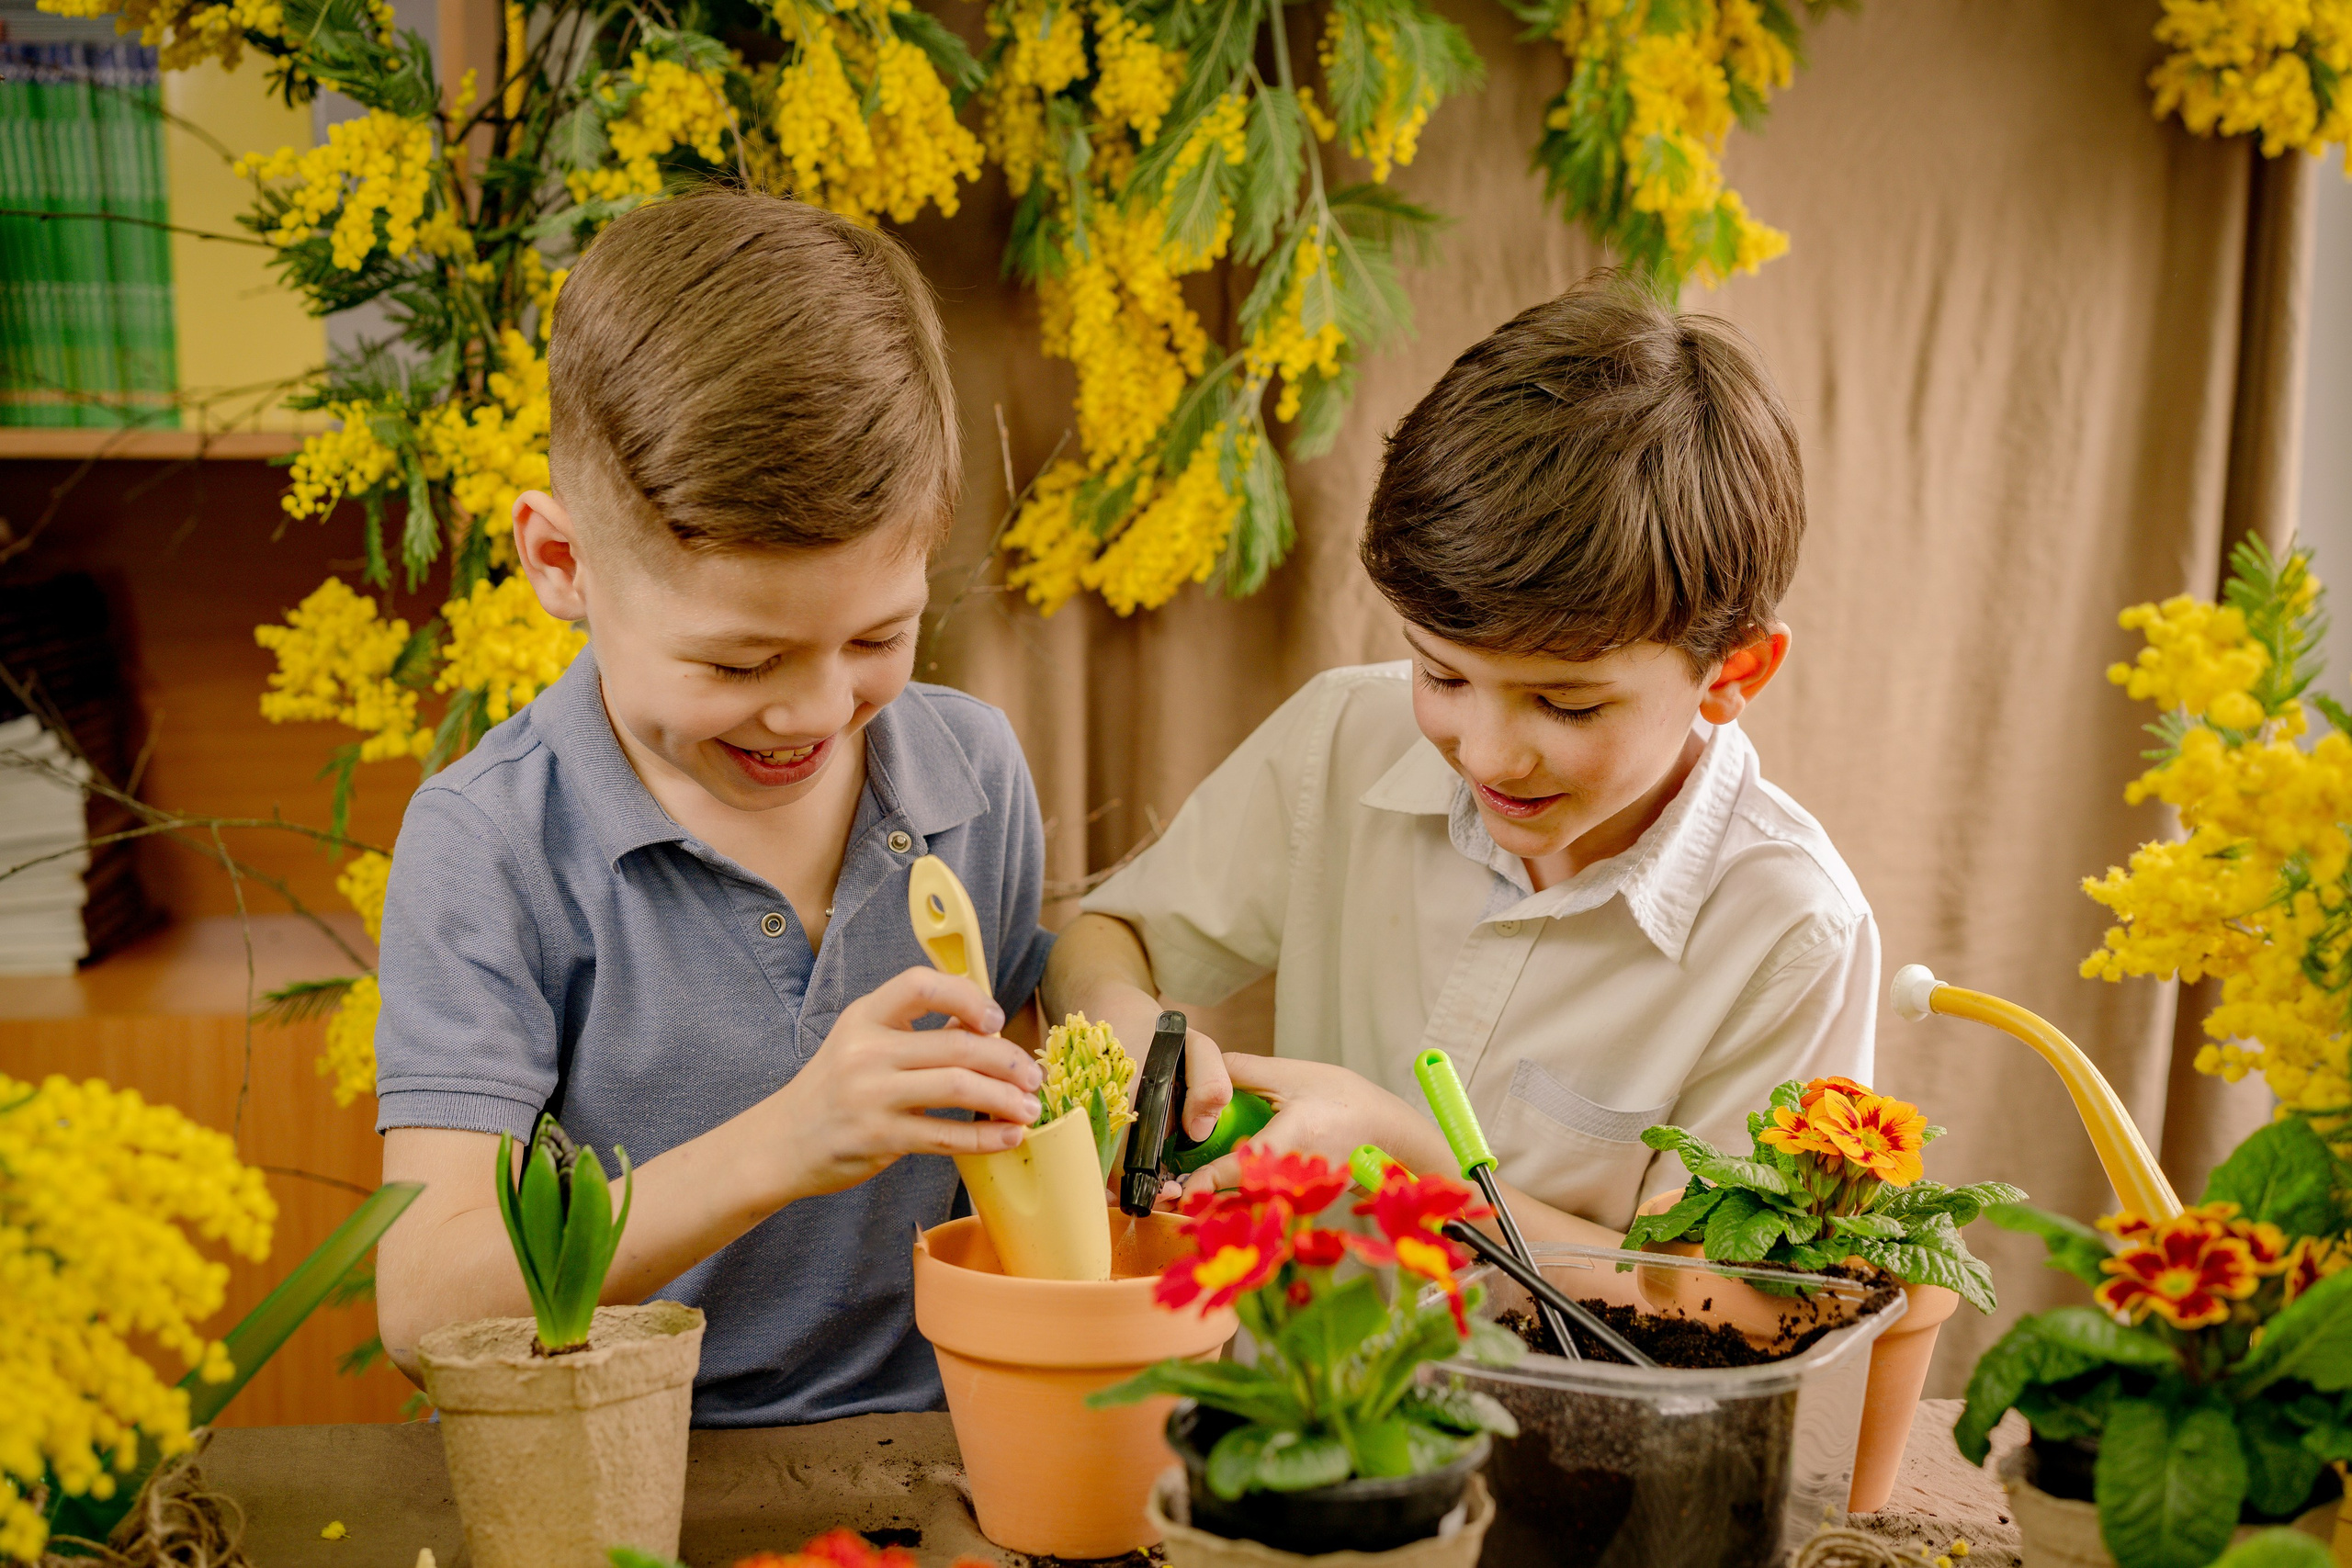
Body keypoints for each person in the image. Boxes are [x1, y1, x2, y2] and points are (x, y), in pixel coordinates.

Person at [373, 191, 1063, 1425]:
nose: (811, 709)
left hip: (943, 1441)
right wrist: (782, 1143)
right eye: (739, 664)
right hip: (613, 1460)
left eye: (878, 634)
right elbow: (426, 1307)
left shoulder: (975, 775)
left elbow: (1026, 1091)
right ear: (560, 564)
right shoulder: (488, 840)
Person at [1046, 280, 1879, 1248]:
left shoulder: (1792, 932)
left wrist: (1402, 1165)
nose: (1485, 755)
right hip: (1289, 1388)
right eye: (1441, 676)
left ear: (1733, 672)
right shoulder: (1344, 736)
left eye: (1566, 704)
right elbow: (1106, 936)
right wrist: (1124, 1020)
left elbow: (1720, 1303)